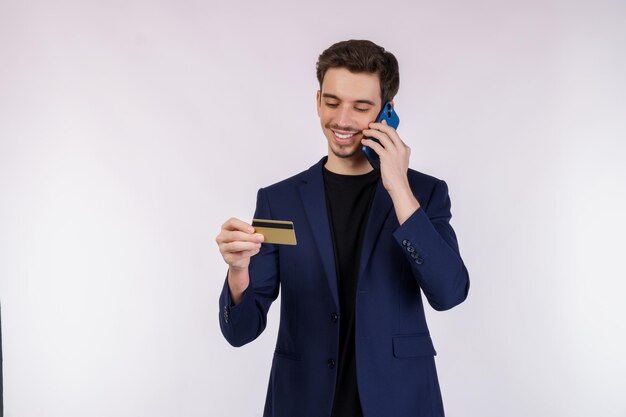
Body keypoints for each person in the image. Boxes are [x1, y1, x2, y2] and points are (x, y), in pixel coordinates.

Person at [216, 39, 470, 417]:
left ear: (387, 111)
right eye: (332, 102)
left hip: (399, 400)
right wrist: (238, 272)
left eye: (362, 107)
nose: (343, 120)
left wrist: (398, 186)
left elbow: (449, 293)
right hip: (303, 401)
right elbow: (241, 331)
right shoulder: (278, 202)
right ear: (318, 101)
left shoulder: (425, 194)